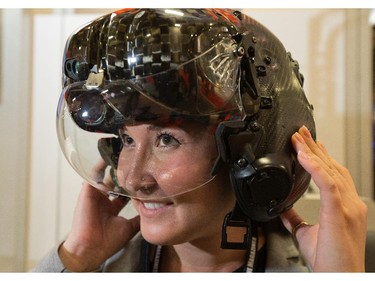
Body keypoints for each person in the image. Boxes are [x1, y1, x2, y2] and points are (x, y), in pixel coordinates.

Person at [33, 8, 368, 272]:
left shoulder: (322, 269)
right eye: (127, 140)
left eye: (166, 139)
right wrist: (77, 255)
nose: (132, 179)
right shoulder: (94, 266)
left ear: (252, 155)